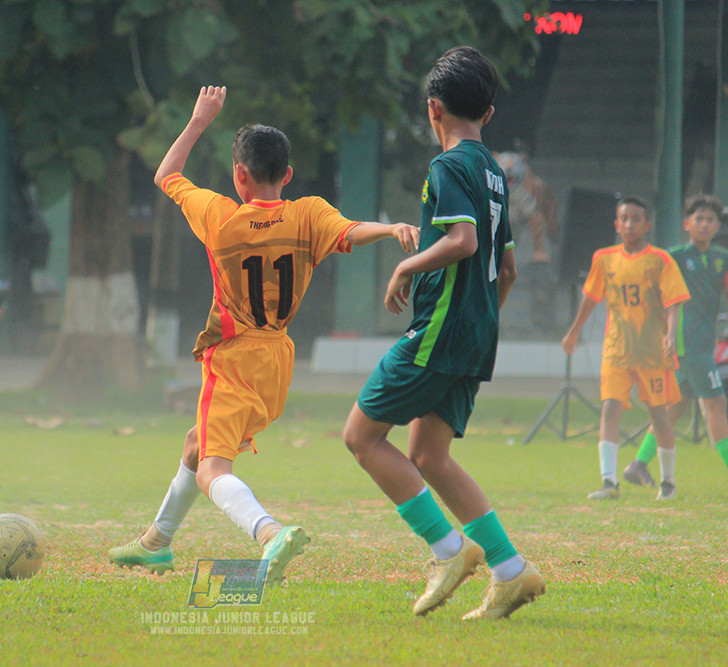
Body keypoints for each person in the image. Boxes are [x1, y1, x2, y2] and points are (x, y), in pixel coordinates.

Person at [107, 86, 419, 584]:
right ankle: (156, 543)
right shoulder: (308, 213)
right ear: (288, 175)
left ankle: (269, 532)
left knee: (212, 468)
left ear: (239, 175)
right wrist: (392, 229)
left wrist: (198, 121)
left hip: (232, 356)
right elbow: (352, 230)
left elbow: (166, 175)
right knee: (197, 445)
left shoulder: (220, 216)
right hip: (278, 359)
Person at [342, 46, 545, 621]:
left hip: (441, 330)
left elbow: (463, 243)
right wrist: (480, 322)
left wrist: (405, 265)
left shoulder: (449, 167)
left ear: (434, 109)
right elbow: (506, 270)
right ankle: (511, 570)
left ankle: (449, 550)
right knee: (429, 455)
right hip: (477, 332)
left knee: (361, 436)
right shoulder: (496, 175)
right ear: (489, 112)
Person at [562, 196, 690, 501]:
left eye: (636, 218)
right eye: (625, 218)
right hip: (616, 350)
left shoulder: (660, 260)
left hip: (651, 352)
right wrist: (573, 332)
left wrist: (670, 335)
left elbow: (673, 303)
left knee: (659, 415)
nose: (630, 224)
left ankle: (668, 482)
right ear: (616, 224)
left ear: (648, 225)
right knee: (610, 408)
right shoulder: (604, 258)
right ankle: (609, 482)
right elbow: (592, 298)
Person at [623, 195, 728, 489]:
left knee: (676, 406)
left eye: (710, 220)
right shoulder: (676, 257)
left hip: (701, 344)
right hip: (686, 345)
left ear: (718, 225)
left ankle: (637, 465)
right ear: (687, 224)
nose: (704, 225)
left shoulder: (722, 258)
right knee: (717, 404)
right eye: (699, 219)